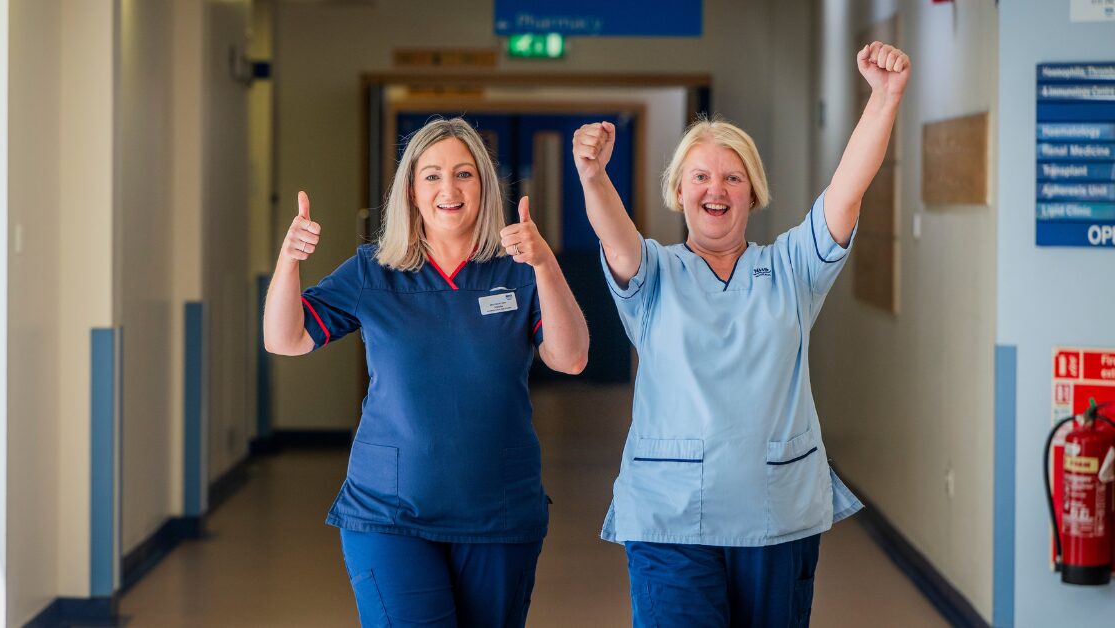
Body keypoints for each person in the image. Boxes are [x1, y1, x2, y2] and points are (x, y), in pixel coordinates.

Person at [571, 42, 910, 626]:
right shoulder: (654, 274)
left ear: (753, 192)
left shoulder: (791, 269)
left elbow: (845, 193)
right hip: (669, 519)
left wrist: (883, 99)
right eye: (700, 176)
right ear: (679, 192)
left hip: (776, 516)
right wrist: (593, 178)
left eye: (732, 177)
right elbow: (617, 240)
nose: (716, 189)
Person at [263, 118, 589, 627]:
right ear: (411, 190)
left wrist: (545, 263)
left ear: (483, 186)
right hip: (388, 512)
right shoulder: (372, 270)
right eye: (432, 175)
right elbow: (286, 339)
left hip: (497, 511)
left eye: (464, 174)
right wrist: (288, 263)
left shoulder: (519, 270)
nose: (449, 189)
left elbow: (570, 358)